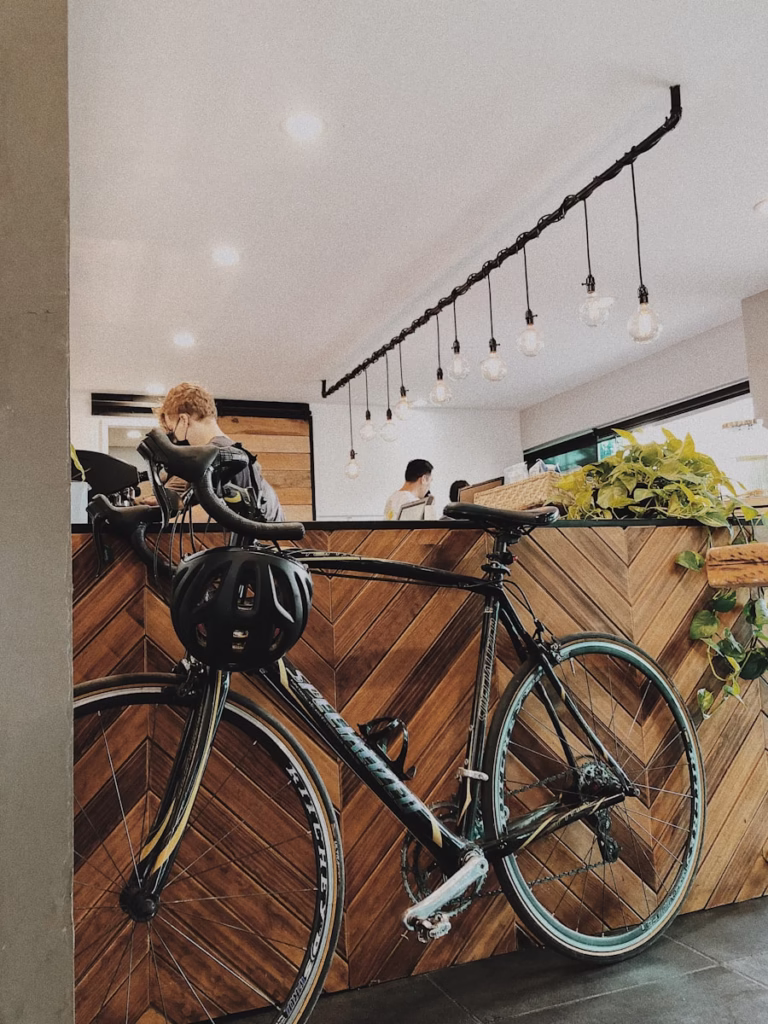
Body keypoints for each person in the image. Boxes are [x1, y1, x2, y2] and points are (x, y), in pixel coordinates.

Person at [140, 381, 284, 521]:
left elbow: (208, 516)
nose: (175, 437)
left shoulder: (212, 458)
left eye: (172, 430)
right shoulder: (237, 453)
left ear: (184, 420)